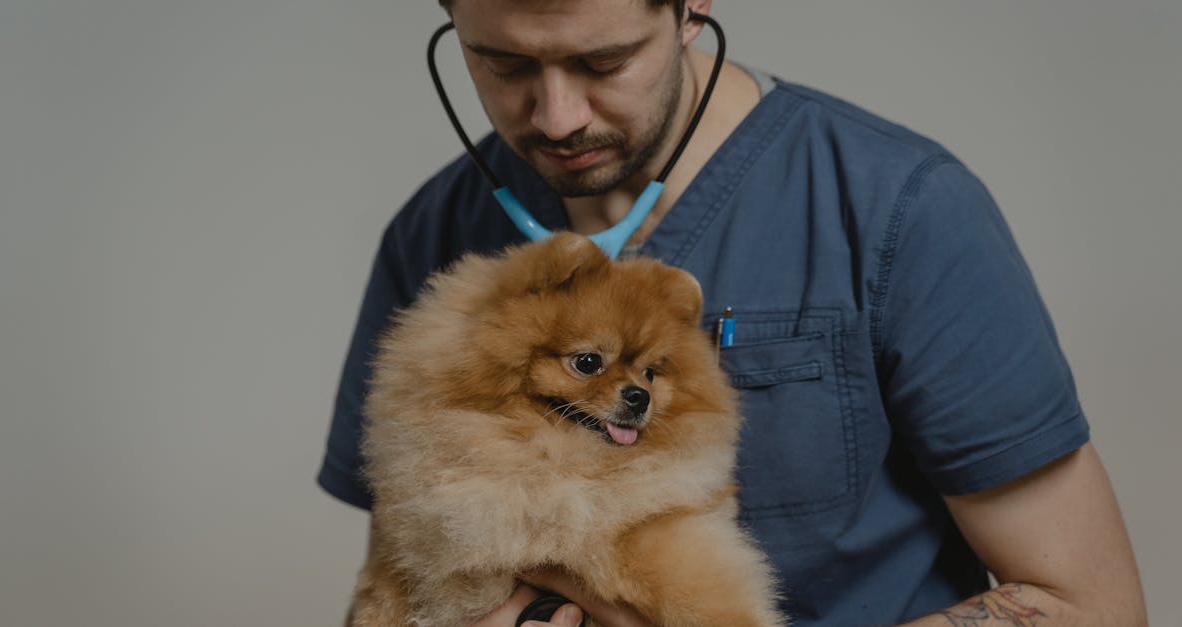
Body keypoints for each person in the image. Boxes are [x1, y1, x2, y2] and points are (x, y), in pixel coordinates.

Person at [318, 1, 1147, 625]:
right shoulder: (434, 235)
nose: (557, 114)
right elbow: (389, 581)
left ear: (692, 8)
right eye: (503, 64)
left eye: (603, 63)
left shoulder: (900, 210)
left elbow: (1091, 606)